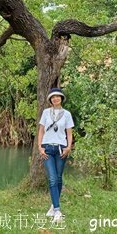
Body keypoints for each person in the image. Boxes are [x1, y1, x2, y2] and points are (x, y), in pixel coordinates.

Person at [37, 87, 74, 223]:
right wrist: (40, 148)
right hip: (47, 148)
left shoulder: (67, 114)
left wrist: (69, 147)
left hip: (61, 149)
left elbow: (69, 133)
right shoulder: (46, 113)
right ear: (50, 100)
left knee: (58, 178)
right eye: (53, 97)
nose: (55, 99)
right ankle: (57, 210)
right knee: (52, 178)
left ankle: (53, 205)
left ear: (61, 98)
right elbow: (41, 130)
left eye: (58, 96)